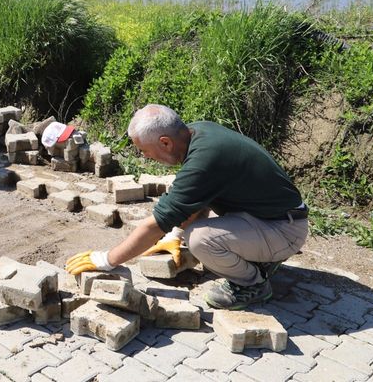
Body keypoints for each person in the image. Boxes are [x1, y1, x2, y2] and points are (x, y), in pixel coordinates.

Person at [65, 104, 308, 310]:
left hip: (284, 230)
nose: (146, 157)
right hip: (271, 218)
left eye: (144, 151)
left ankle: (252, 283)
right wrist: (175, 235)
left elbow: (153, 226)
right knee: (188, 221)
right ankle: (262, 258)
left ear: (165, 142)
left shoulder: (204, 160)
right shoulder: (199, 133)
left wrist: (106, 260)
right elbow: (197, 198)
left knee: (200, 239)